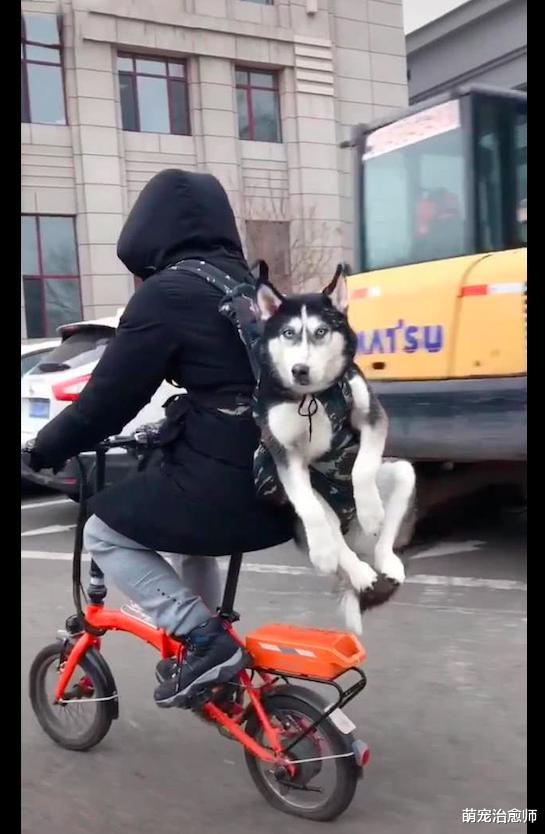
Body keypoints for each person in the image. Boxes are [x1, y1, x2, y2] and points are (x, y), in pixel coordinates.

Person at [25, 169, 294, 709]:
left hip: (229, 482)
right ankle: (210, 650)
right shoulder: (251, 287)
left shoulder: (170, 292)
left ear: (148, 230)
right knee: (188, 540)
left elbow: (108, 401)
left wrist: (42, 449)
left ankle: (204, 641)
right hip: (282, 484)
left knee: (104, 531)